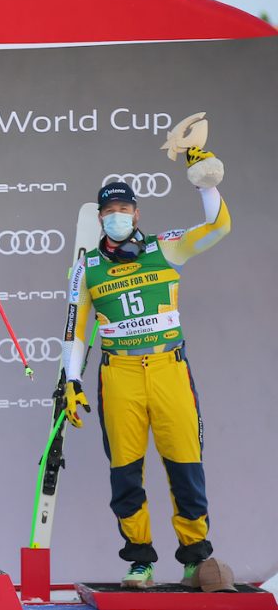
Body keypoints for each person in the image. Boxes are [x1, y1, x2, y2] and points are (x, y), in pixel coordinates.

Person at [61, 148, 230, 588]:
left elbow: (218, 227)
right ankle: (140, 561)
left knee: (185, 466)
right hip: (119, 375)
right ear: (100, 218)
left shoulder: (165, 246)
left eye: (124, 208)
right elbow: (76, 332)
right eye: (109, 210)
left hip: (168, 368)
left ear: (137, 213)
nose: (117, 215)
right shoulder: (87, 267)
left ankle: (195, 560)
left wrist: (205, 180)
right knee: (125, 472)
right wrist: (72, 379)